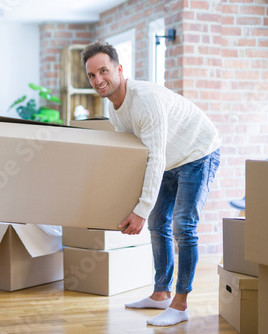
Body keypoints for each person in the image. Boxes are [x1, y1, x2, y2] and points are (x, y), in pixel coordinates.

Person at [81, 41, 221, 327]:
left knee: (183, 225)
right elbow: (135, 159)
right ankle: (161, 294)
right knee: (159, 222)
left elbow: (154, 157)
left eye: (103, 71)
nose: (98, 80)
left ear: (119, 69)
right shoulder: (114, 110)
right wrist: (130, 204)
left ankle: (180, 305)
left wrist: (140, 209)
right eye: (92, 75)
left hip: (197, 151)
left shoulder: (144, 99)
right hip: (170, 158)